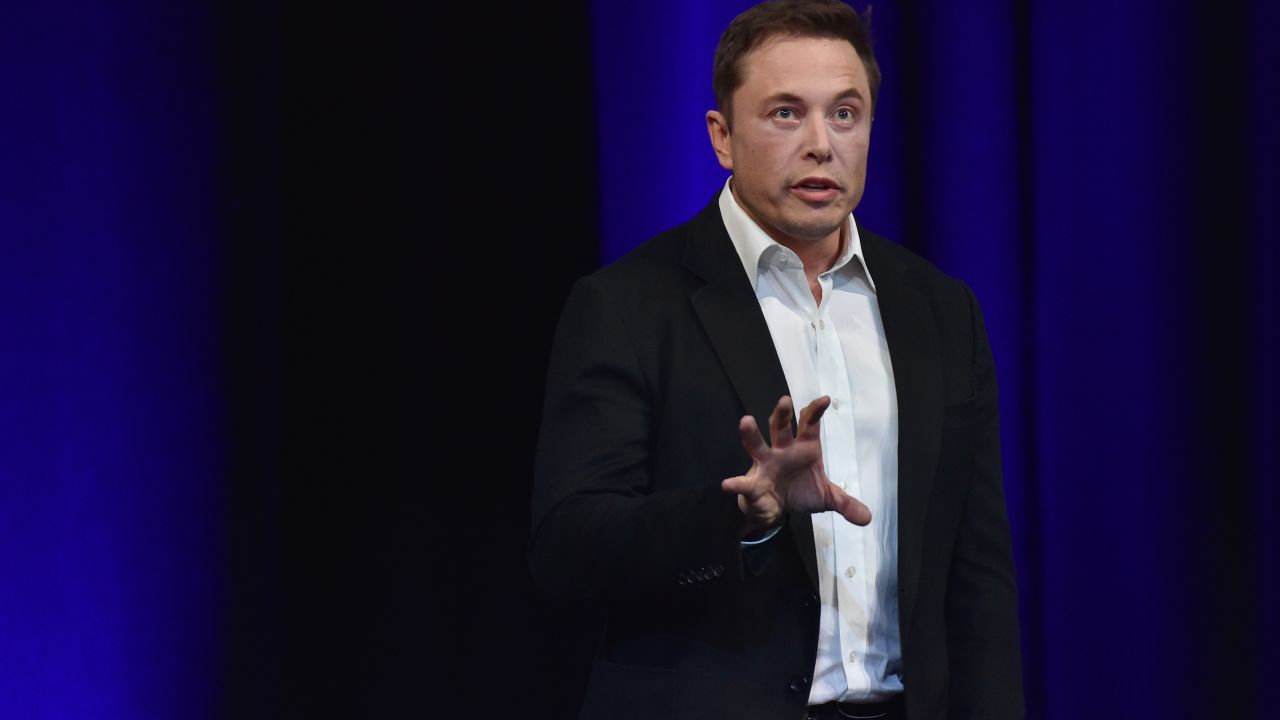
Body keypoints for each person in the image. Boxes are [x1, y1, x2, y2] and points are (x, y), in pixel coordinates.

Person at [529, 1, 1023, 718]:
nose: (822, 144)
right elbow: (567, 548)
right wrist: (742, 513)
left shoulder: (940, 310)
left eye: (845, 114)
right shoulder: (629, 305)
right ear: (722, 136)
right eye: (786, 114)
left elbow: (978, 577)